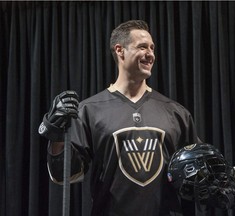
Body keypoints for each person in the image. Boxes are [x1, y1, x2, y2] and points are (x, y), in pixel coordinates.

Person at [39, 20, 205, 216]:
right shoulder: (89, 110)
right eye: (142, 47)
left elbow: (200, 171)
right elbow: (64, 175)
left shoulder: (176, 113)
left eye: (152, 48)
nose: (150, 54)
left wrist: (225, 176)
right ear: (120, 50)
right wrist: (56, 136)